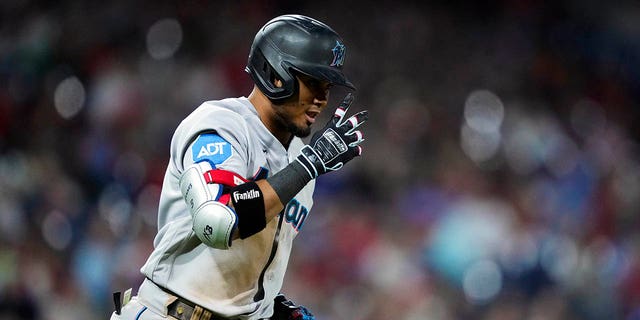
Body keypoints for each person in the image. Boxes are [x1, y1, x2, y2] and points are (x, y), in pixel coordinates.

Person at [110, 14, 368, 320]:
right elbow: (218, 221)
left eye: (327, 87)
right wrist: (309, 165)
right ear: (276, 74)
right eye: (313, 83)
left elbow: (245, 262)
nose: (322, 99)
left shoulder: (301, 158)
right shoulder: (220, 125)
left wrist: (270, 308)